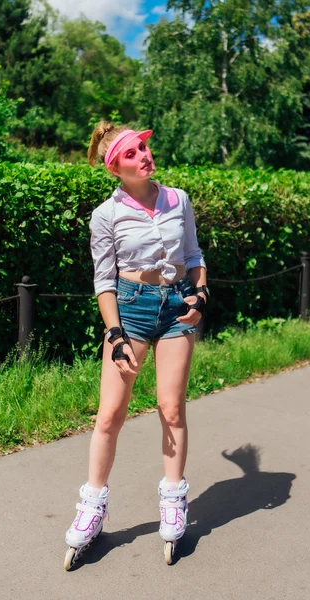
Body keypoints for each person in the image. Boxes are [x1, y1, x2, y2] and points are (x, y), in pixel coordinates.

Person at [64, 122, 209, 566]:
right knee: (110, 413)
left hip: (176, 308)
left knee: (171, 407)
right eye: (132, 153)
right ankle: (92, 506)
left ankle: (173, 498)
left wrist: (200, 294)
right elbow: (103, 279)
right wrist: (115, 332)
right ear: (116, 167)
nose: (144, 155)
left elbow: (194, 257)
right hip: (131, 308)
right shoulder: (105, 215)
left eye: (143, 147)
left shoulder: (177, 199)